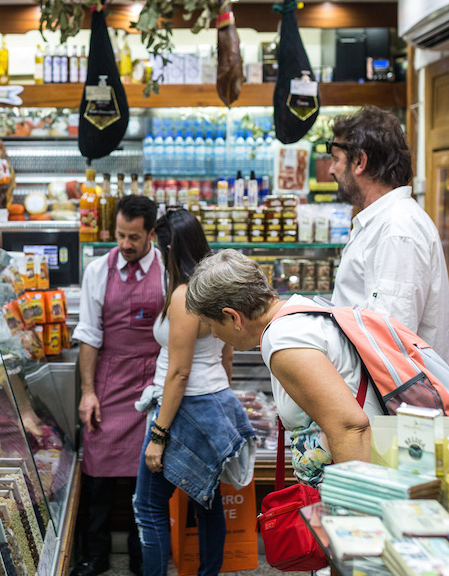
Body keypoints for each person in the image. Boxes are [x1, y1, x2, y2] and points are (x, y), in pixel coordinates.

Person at [185, 249, 380, 486]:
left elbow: (350, 427)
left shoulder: (284, 340)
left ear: (233, 317)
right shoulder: (297, 310)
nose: (215, 335)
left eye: (211, 324)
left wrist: (355, 513)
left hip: (353, 494)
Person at [133, 210, 256, 576]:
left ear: (168, 247)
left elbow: (179, 373)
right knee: (206, 499)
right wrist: (221, 400)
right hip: (212, 399)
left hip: (184, 407)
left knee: (149, 507)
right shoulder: (211, 289)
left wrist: (158, 435)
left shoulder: (183, 295)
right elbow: (227, 353)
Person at [72, 195, 162, 576]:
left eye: (134, 238)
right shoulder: (97, 270)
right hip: (109, 381)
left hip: (154, 382)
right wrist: (88, 392)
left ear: (151, 235)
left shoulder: (168, 270)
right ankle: (95, 555)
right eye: (120, 235)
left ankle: (145, 558)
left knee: (148, 476)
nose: (125, 245)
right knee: (97, 475)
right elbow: (90, 335)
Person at [327, 105, 449, 362]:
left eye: (336, 159)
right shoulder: (382, 222)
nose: (331, 170)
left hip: (390, 400)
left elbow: (389, 344)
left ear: (359, 162)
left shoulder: (397, 230)